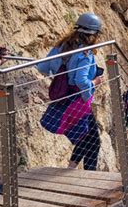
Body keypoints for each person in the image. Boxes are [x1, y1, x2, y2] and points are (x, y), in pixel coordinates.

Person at [37, 12, 103, 170]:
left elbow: (42, 67)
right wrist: (94, 82)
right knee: (93, 141)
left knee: (86, 137)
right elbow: (81, 80)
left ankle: (72, 168)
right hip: (78, 100)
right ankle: (89, 178)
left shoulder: (61, 46)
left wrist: (60, 75)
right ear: (93, 34)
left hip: (63, 97)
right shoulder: (85, 53)